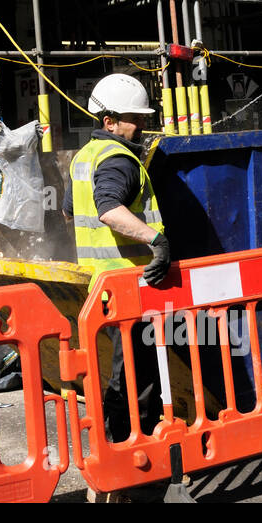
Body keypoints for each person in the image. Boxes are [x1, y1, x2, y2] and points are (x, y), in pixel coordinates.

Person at [64, 72, 171, 449]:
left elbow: (69, 213)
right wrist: (155, 239)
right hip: (129, 288)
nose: (142, 125)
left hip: (102, 289)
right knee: (136, 376)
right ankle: (131, 451)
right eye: (134, 118)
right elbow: (108, 210)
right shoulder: (118, 159)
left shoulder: (85, 156)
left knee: (125, 370)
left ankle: (119, 442)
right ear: (108, 121)